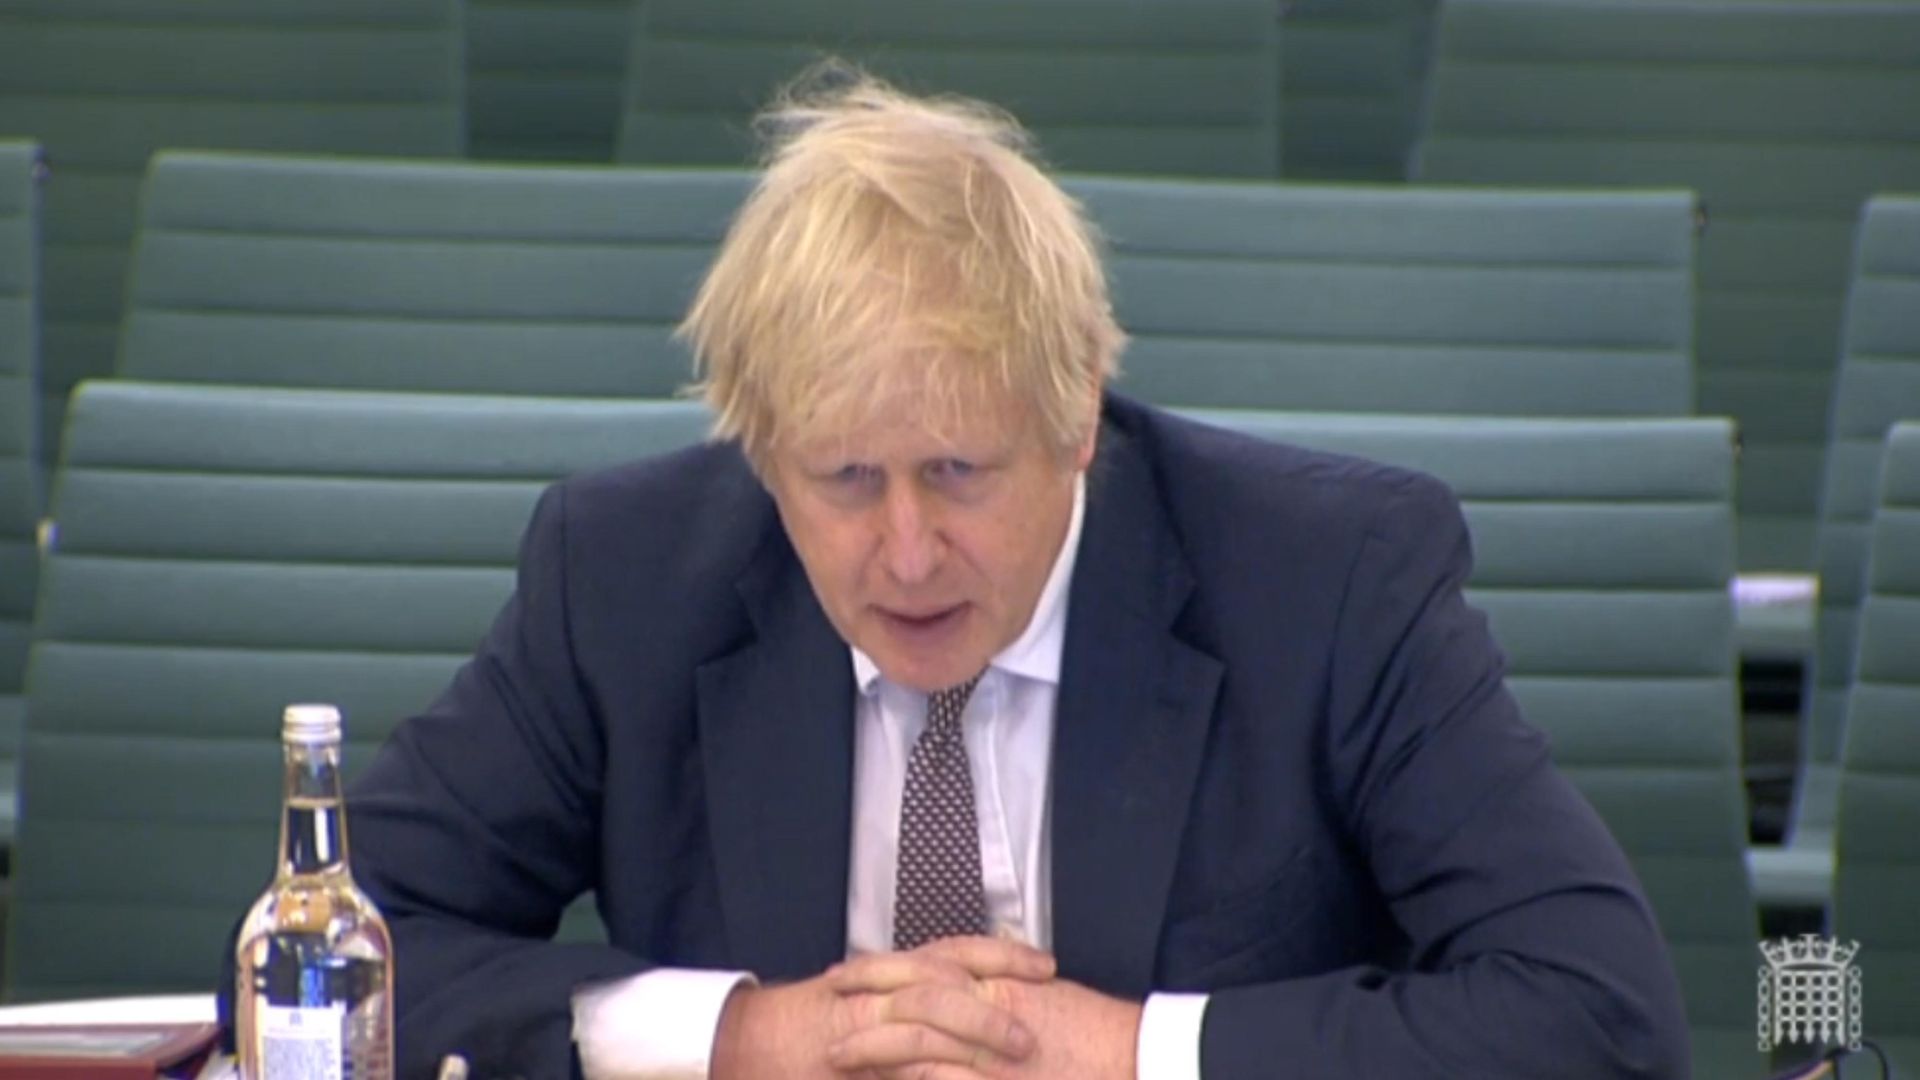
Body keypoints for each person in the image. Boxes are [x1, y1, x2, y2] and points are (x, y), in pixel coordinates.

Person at [249, 74, 1690, 1078]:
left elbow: (1595, 1016)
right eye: (843, 482)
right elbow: (309, 963)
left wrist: (1121, 1053)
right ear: (760, 455)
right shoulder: (623, 578)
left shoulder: (1330, 584)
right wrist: (742, 1040)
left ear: (1078, 426)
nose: (908, 554)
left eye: (959, 473)